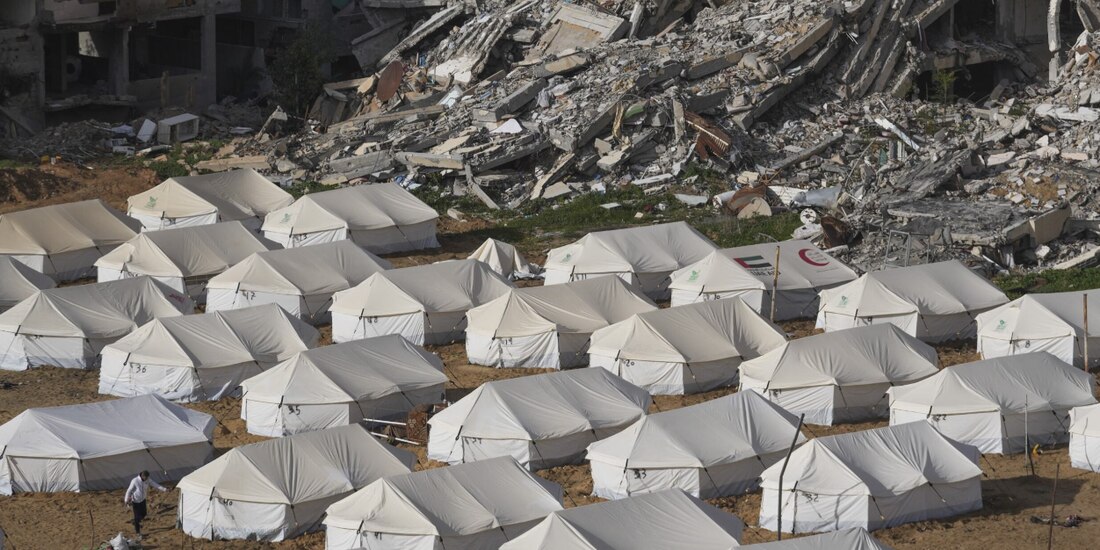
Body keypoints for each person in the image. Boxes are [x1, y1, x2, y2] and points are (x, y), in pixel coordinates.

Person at [124, 471, 167, 539]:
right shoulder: (135, 481)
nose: (147, 479)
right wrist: (126, 500)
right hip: (135, 502)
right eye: (146, 478)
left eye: (147, 478)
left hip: (143, 500)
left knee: (144, 514)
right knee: (137, 518)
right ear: (142, 476)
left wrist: (165, 489)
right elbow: (129, 490)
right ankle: (138, 532)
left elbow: (155, 484)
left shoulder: (148, 479)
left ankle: (135, 522)